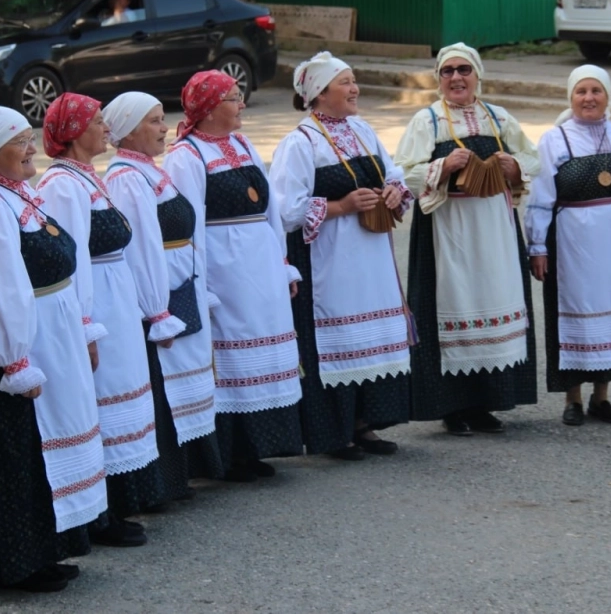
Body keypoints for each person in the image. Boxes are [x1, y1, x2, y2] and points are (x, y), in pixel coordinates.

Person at [0, 106, 106, 592]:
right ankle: (18, 562)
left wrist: (79, 326)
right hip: (11, 351)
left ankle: (46, 550)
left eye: (31, 137)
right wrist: (13, 359)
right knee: (18, 451)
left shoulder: (17, 194)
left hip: (48, 335)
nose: (32, 148)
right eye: (19, 141)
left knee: (44, 449)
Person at [38, 93, 168, 546]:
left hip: (116, 299)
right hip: (97, 303)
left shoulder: (87, 177)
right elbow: (69, 261)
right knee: (100, 400)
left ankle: (120, 499)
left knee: (121, 396)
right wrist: (84, 326)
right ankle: (98, 513)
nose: (106, 128)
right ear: (74, 132)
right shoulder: (62, 184)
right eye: (96, 121)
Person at [270, 52, 413, 460]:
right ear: (319, 93)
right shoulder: (300, 143)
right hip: (328, 259)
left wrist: (393, 191)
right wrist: (341, 206)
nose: (355, 89)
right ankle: (334, 432)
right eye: (345, 82)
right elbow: (287, 210)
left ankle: (364, 422)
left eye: (353, 80)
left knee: (370, 338)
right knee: (336, 340)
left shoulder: (362, 129)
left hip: (370, 256)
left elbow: (394, 173)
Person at [393, 42, 538, 436]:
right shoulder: (427, 121)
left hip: (494, 227)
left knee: (493, 298)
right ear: (438, 78)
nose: (456, 77)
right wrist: (442, 165)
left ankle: (486, 402)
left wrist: (514, 166)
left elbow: (535, 158)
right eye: (448, 71)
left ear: (477, 75)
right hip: (448, 229)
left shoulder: (499, 117)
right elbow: (401, 172)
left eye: (463, 70)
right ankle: (451, 406)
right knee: (452, 305)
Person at [165, 71, 303, 482]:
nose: (241, 104)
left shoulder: (242, 144)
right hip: (224, 271)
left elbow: (271, 210)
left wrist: (283, 263)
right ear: (209, 109)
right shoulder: (186, 155)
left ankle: (259, 445)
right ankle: (231, 453)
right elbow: (188, 226)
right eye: (233, 98)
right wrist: (200, 283)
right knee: (231, 356)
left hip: (261, 264)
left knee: (265, 348)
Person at [526, 65, 611, 426]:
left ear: (607, 96)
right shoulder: (554, 140)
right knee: (575, 311)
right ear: (570, 97)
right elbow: (541, 198)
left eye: (596, 91)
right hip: (574, 244)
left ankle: (601, 397)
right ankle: (572, 399)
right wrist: (537, 246)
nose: (588, 98)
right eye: (581, 91)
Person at [102, 92, 224, 495]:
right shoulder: (125, 178)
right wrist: (156, 311)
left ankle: (186, 469)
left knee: (182, 382)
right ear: (128, 131)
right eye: (153, 121)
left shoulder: (149, 171)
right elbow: (139, 248)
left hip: (178, 284)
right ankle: (166, 478)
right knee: (163, 384)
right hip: (158, 296)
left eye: (161, 118)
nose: (164, 127)